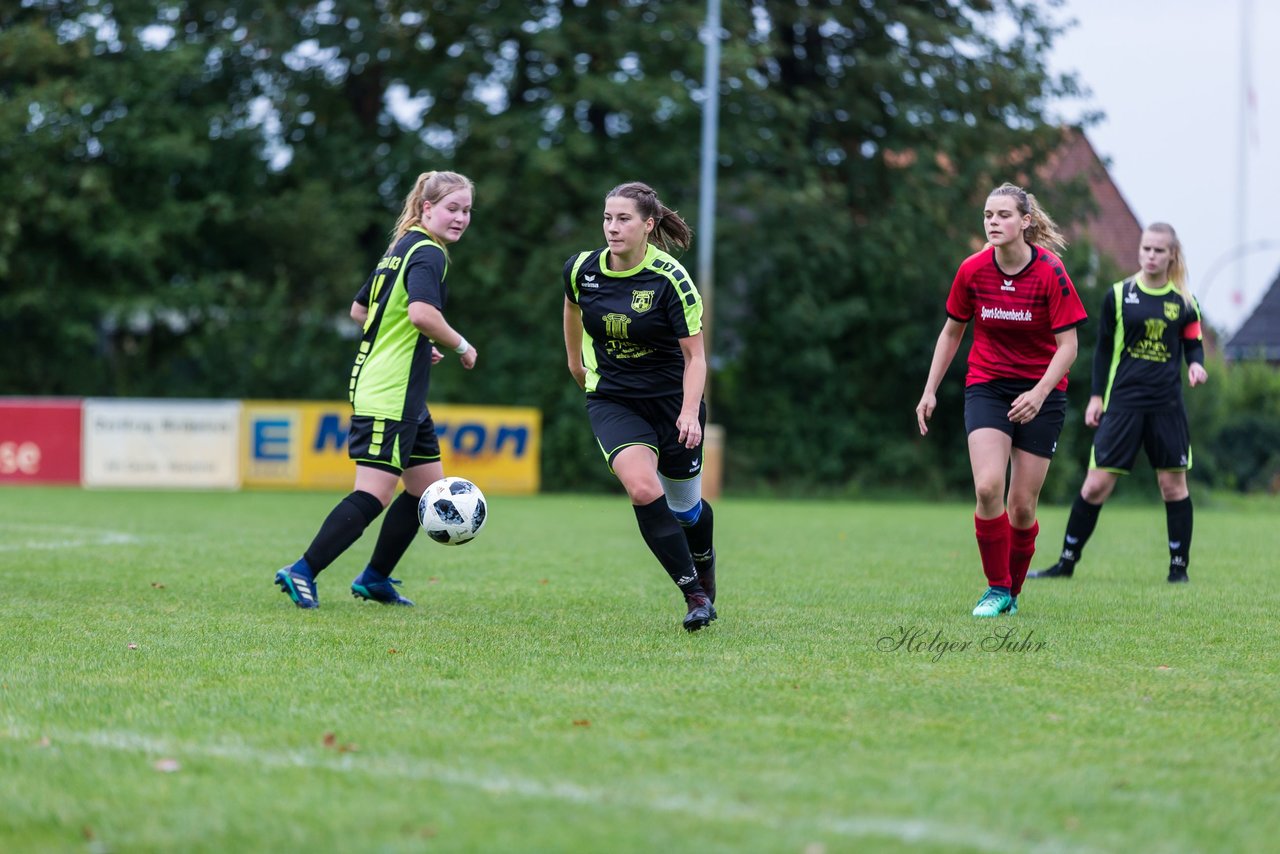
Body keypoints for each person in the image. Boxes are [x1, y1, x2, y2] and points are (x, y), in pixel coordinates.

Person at [274, 170, 478, 609]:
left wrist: (413, 345)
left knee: (426, 491)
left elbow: (359, 309)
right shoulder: (428, 253)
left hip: (402, 392)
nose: (460, 218)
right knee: (374, 492)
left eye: (466, 211)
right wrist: (459, 344)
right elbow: (422, 313)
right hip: (390, 391)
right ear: (427, 209)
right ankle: (303, 570)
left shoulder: (401, 247)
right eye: (451, 209)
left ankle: (374, 578)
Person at [916, 182, 1087, 617]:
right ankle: (997, 590)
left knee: (1022, 506)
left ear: (1025, 222)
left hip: (1043, 392)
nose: (994, 222)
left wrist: (1039, 392)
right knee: (989, 487)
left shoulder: (1051, 272)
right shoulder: (973, 270)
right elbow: (952, 331)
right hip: (988, 386)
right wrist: (930, 388)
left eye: (1004, 215)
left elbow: (1069, 346)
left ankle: (1011, 591)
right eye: (988, 215)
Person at [562, 181, 718, 632]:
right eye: (608, 218)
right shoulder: (581, 270)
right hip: (613, 398)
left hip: (672, 403)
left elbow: (696, 357)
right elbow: (572, 308)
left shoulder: (671, 279)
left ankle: (705, 566)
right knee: (642, 488)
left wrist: (689, 412)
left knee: (687, 509)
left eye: (624, 219)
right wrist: (576, 364)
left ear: (648, 226)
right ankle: (694, 595)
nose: (612, 227)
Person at [1030, 223, 1207, 584]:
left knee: (1173, 486)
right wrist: (1097, 397)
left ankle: (1179, 570)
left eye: (1159, 250)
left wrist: (1197, 366)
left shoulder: (1184, 301)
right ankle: (1065, 563)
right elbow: (1104, 351)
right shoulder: (1119, 294)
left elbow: (1193, 342)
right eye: (1146, 249)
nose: (1151, 256)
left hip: (1167, 407)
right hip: (1122, 403)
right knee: (1095, 485)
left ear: (1172, 255)